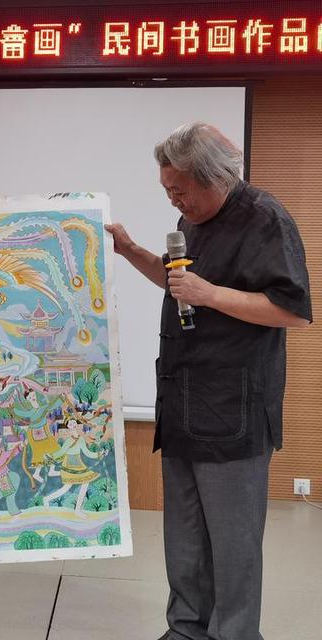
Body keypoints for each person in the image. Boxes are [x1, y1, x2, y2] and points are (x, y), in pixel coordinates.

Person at [105, 122, 312, 640]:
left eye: (179, 189)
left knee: (233, 543)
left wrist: (211, 294)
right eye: (166, 190)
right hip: (183, 402)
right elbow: (179, 283)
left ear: (213, 176)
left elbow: (292, 311)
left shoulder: (264, 218)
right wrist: (131, 250)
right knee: (185, 538)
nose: (173, 200)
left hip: (233, 409)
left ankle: (234, 634)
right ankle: (186, 629)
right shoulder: (190, 221)